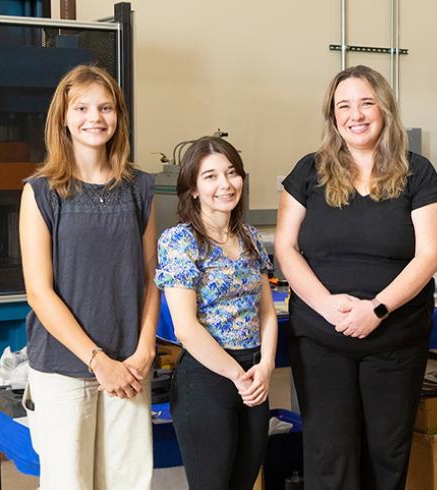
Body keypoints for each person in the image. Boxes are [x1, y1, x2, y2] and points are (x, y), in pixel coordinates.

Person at [274, 65, 437, 489]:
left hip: (394, 338)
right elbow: (285, 248)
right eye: (344, 106)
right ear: (332, 115)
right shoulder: (309, 171)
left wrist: (377, 308)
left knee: (385, 454)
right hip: (321, 338)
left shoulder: (418, 172)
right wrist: (325, 305)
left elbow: (431, 254)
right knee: (329, 453)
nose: (356, 114)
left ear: (385, 108)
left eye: (366, 103)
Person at [18, 64, 157, 489]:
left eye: (105, 108)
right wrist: (98, 361)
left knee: (128, 482)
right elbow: (39, 293)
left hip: (130, 367)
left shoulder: (140, 189)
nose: (94, 118)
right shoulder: (41, 193)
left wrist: (144, 351)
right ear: (63, 116)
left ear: (118, 117)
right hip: (64, 369)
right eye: (82, 107)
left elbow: (152, 279)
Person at [156, 136, 278, 490]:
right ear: (193, 188)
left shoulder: (251, 237)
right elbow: (185, 328)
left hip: (255, 375)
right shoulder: (180, 241)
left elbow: (266, 311)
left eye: (231, 173)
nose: (225, 184)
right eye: (210, 176)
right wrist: (237, 376)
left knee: (244, 482)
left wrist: (267, 365)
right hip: (207, 379)